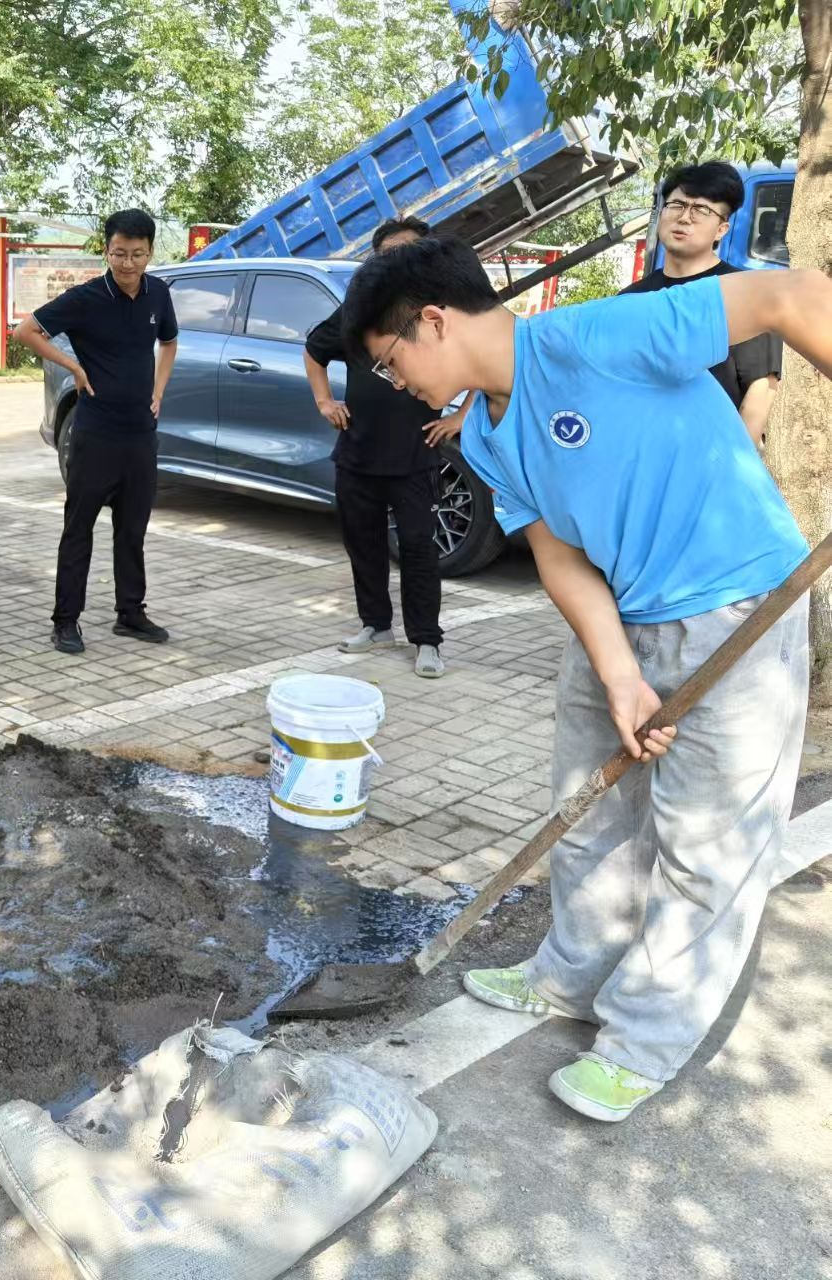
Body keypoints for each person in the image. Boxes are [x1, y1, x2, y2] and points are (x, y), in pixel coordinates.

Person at [340, 236, 832, 1123]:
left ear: (433, 321)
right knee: (589, 808)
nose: (394, 382)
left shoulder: (600, 336)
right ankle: (570, 974)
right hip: (623, 615)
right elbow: (558, 554)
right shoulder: (484, 432)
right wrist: (618, 675)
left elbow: (788, 297)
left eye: (388, 360)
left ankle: (643, 1041)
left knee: (709, 848)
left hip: (736, 608)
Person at [12, 209, 179, 655]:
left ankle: (131, 613)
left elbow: (169, 342)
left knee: (133, 529)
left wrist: (158, 391)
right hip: (95, 435)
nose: (128, 263)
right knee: (79, 528)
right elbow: (26, 331)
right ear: (106, 251)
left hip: (140, 434)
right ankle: (66, 620)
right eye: (119, 253)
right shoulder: (85, 298)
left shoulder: (158, 294)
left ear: (150, 253)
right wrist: (72, 366)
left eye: (137, 254)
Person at [305, 216, 466, 679]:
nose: (397, 262)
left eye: (407, 252)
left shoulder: (439, 313)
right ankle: (376, 625)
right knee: (363, 545)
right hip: (358, 452)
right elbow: (314, 350)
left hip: (415, 455)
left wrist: (461, 417)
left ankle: (427, 640)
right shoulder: (360, 311)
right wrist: (324, 401)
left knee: (418, 549)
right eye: (388, 254)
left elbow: (482, 362)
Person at [622, 160, 782, 447]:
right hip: (639, 449)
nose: (684, 218)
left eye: (701, 210)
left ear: (722, 229)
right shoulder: (630, 299)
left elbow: (761, 388)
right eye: (676, 205)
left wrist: (731, 460)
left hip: (707, 454)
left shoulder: (744, 293)